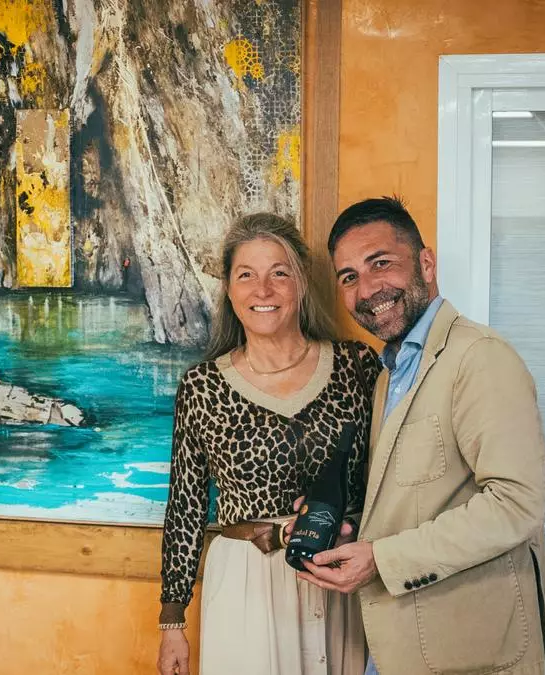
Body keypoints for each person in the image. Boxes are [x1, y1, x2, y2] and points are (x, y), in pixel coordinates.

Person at [298, 196, 545, 674]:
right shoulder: (389, 375)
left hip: (471, 652)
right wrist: (348, 526)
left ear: (426, 263)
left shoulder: (479, 357)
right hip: (401, 648)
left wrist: (381, 559)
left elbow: (517, 503)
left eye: (381, 263)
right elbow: (414, 498)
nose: (367, 289)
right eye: (349, 277)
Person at [158, 213, 380, 675]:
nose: (263, 290)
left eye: (279, 273)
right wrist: (173, 620)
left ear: (301, 282)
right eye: (246, 275)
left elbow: (391, 472)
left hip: (342, 573)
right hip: (246, 583)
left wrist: (367, 539)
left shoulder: (356, 366)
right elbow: (185, 506)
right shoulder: (203, 386)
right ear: (229, 289)